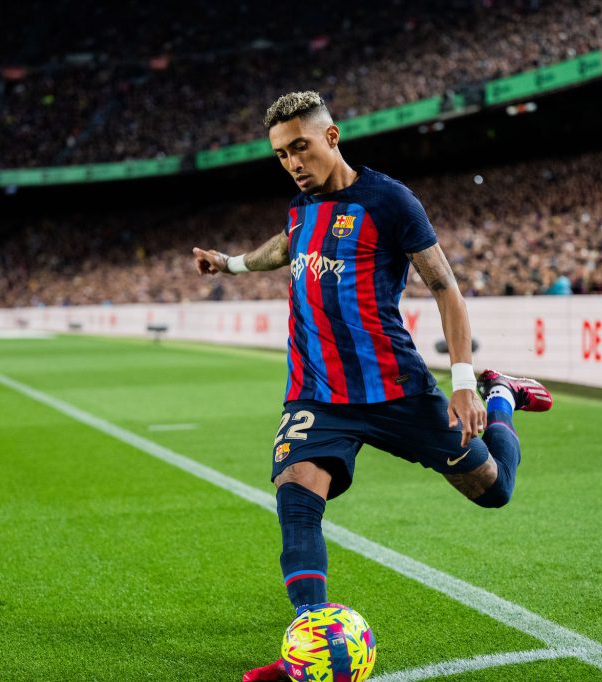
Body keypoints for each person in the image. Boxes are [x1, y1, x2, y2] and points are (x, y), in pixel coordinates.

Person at [190, 91, 552, 682]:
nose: (293, 163)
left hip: (396, 390)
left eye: (300, 148)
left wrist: (464, 381)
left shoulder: (390, 201)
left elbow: (445, 287)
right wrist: (228, 264)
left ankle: (502, 395)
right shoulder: (298, 208)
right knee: (296, 491)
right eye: (282, 155)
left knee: (493, 489)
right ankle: (312, 640)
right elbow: (283, 250)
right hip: (317, 392)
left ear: (331, 138)